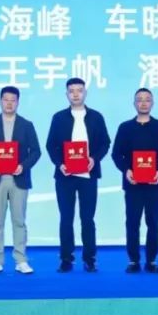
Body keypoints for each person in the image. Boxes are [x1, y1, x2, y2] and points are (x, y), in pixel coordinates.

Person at [46, 77, 111, 273]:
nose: (75, 94)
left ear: (85, 93)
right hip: (65, 176)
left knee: (87, 218)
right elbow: (50, 145)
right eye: (71, 91)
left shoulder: (96, 117)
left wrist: (94, 159)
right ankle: (66, 258)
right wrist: (60, 164)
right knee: (66, 218)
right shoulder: (58, 117)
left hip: (88, 175)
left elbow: (105, 143)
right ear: (66, 94)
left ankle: (90, 258)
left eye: (79, 90)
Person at [0, 86, 42, 275]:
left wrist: (23, 166)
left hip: (19, 179)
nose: (9, 103)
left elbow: (36, 151)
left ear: (18, 102)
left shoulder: (26, 125)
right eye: (6, 100)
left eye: (13, 100)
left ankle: (21, 259)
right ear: (0, 101)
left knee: (19, 221)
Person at [111, 88, 158, 273]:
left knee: (153, 222)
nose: (143, 103)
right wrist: (126, 170)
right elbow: (116, 154)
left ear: (152, 103)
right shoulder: (125, 127)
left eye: (147, 99)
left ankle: (152, 260)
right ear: (134, 103)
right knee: (132, 222)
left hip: (154, 183)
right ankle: (133, 260)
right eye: (139, 99)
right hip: (133, 184)